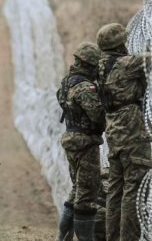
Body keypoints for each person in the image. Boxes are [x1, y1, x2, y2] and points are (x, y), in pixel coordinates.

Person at [96, 23, 152, 241]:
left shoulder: (100, 66)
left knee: (116, 189)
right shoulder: (126, 64)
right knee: (134, 189)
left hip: (114, 133)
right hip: (132, 133)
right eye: (125, 42)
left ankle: (112, 237)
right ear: (119, 45)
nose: (128, 44)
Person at [56, 42, 105, 241]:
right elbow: (97, 115)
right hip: (85, 142)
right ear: (90, 64)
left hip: (71, 139)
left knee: (77, 190)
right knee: (87, 194)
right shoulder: (85, 87)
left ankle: (63, 236)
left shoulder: (67, 82)